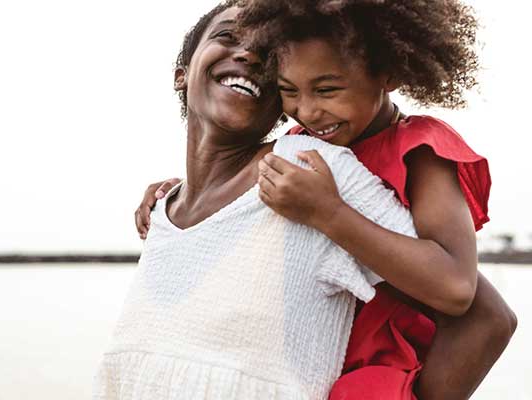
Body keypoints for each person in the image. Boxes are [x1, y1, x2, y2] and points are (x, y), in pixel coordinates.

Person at [136, 1, 517, 399]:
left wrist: (328, 213)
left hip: (378, 375)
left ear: (388, 73)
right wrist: (180, 192)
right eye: (288, 92)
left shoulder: (420, 152)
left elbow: (459, 290)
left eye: (327, 90)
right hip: (309, 367)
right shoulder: (299, 146)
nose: (308, 111)